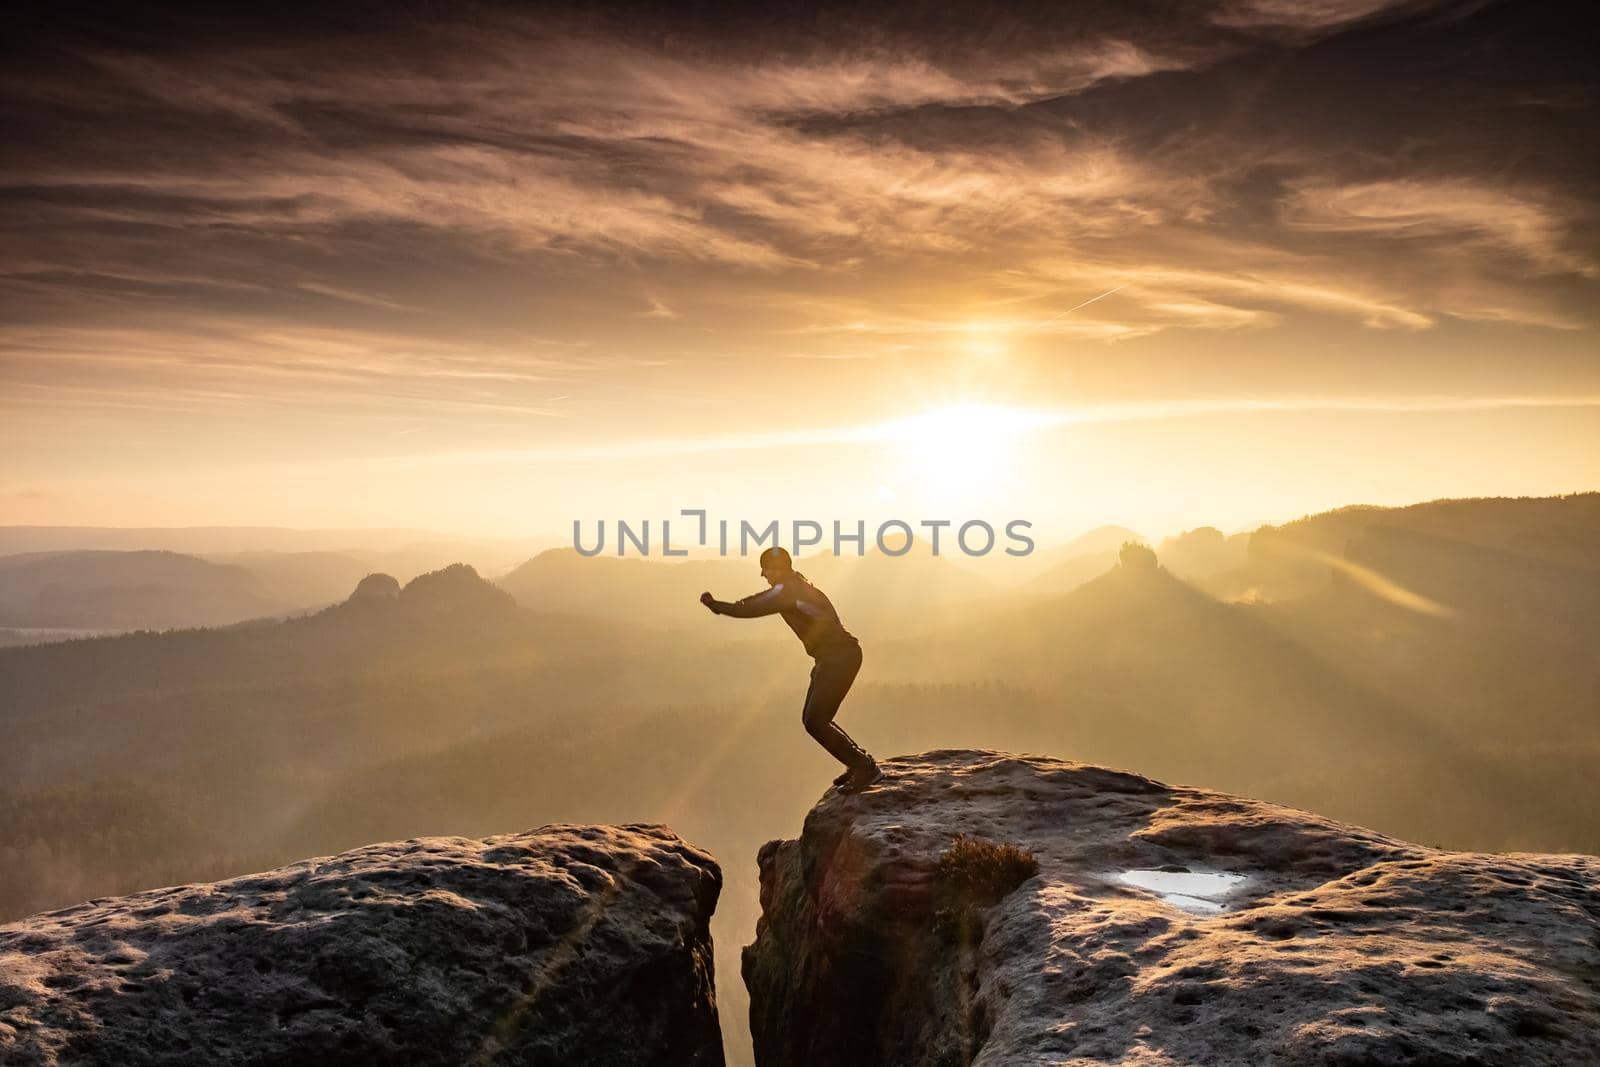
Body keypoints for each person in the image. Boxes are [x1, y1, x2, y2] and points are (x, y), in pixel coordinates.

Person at [700, 546, 883, 794]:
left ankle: (864, 767)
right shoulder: (794, 584)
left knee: (815, 721)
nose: (763, 574)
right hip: (833, 658)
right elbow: (760, 599)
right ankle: (858, 762)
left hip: (839, 659)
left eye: (766, 569)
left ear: (779, 569)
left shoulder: (788, 590)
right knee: (815, 720)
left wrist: (718, 606)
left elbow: (753, 606)